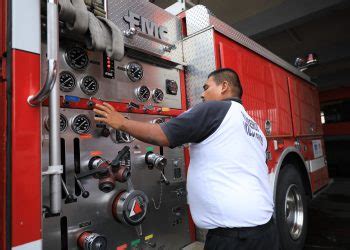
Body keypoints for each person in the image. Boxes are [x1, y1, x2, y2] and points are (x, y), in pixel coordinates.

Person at [93, 68, 279, 250]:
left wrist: (122, 122)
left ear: (224, 86)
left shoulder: (215, 109)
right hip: (266, 228)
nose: (203, 95)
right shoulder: (254, 126)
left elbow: (161, 134)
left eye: (207, 87)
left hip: (235, 237)